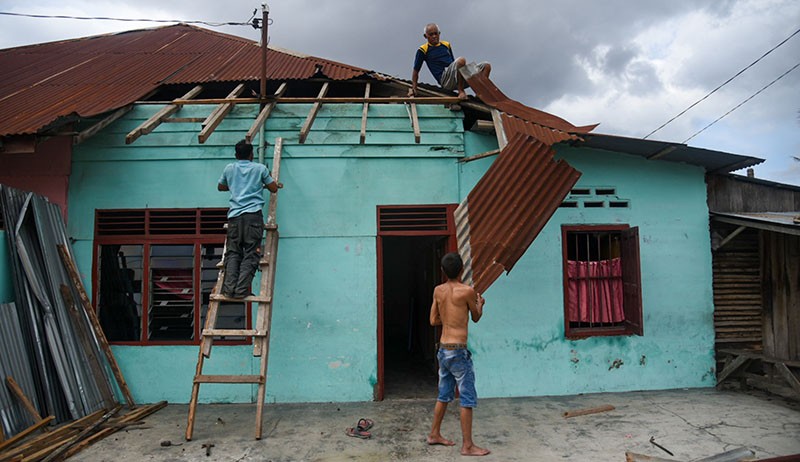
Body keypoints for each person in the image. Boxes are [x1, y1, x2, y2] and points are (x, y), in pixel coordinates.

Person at [427, 252, 490, 457]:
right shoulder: (467, 291)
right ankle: (468, 446)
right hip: (458, 352)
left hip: (443, 349)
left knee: (443, 394)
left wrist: (448, 318)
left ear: (443, 271)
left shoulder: (438, 291)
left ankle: (434, 434)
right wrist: (480, 305)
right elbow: (476, 317)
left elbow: (433, 320)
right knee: (467, 398)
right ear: (461, 270)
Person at [217, 140, 282, 299]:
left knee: (233, 253)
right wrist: (267, 184)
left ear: (236, 155)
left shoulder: (229, 168)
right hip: (253, 216)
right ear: (252, 154)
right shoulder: (260, 169)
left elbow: (221, 187)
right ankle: (241, 290)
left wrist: (234, 185)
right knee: (251, 253)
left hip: (234, 217)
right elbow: (273, 189)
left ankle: (228, 289)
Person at [409, 23, 491, 101]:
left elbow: (454, 62)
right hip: (445, 79)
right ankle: (461, 91)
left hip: (455, 76)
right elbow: (416, 71)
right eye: (431, 34)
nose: (434, 36)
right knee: (461, 60)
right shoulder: (423, 50)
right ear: (425, 36)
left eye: (436, 33)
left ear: (439, 33)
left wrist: (462, 72)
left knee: (486, 66)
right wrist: (414, 88)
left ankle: (480, 93)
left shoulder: (446, 45)